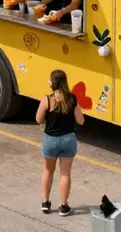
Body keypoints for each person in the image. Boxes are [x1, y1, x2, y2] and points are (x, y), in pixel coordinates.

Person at [36, 69, 84, 217]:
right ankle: (64, 206)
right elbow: (80, 121)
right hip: (68, 139)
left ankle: (45, 202)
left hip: (50, 140)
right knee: (65, 174)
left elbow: (38, 119)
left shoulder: (47, 99)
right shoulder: (72, 99)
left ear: (52, 83)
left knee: (48, 170)